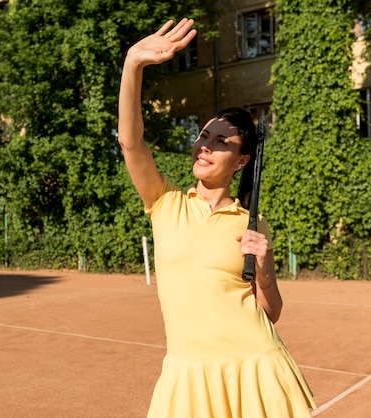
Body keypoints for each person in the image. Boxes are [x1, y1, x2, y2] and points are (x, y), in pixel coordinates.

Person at [118, 18, 316, 417]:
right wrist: (132, 64)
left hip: (254, 363)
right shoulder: (166, 202)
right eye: (203, 137)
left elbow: (271, 310)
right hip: (188, 373)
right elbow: (131, 140)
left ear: (241, 161)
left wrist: (262, 267)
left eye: (221, 141)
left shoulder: (252, 222)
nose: (205, 147)